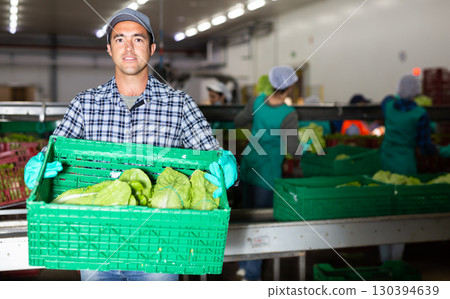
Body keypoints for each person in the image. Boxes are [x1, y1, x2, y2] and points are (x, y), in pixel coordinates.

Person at [23, 8, 238, 281]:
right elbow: (53, 154)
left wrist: (228, 164)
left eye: (137, 39)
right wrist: (39, 165)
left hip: (160, 248)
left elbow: (212, 155)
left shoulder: (179, 104)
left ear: (151, 48)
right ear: (109, 50)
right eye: (119, 39)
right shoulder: (85, 104)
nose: (128, 47)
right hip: (96, 244)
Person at [234, 65, 302, 281]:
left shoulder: (256, 102)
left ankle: (243, 265)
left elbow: (238, 121)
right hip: (268, 175)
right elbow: (293, 148)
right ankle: (252, 275)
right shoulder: (288, 114)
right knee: (262, 223)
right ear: (289, 87)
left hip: (248, 167)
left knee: (246, 217)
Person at [379, 74, 438, 262]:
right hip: (405, 165)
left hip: (385, 164)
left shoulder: (388, 107)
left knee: (383, 213)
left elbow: (386, 99)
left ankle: (384, 262)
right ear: (416, 92)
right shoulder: (420, 114)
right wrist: (440, 152)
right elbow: (424, 145)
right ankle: (396, 262)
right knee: (401, 215)